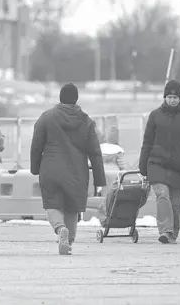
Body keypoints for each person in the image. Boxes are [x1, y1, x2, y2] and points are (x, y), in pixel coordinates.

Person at [30, 83, 106, 255]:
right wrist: (99, 179)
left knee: (52, 203)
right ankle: (69, 242)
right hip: (77, 171)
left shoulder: (46, 118)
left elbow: (36, 146)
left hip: (51, 169)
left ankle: (60, 228)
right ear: (76, 99)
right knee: (72, 207)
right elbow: (95, 152)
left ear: (60, 97)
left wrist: (35, 168)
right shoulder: (86, 121)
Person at [139, 80, 180, 244]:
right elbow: (147, 142)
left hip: (178, 165)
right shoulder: (155, 116)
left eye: (175, 97)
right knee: (162, 195)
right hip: (156, 163)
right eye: (169, 96)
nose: (172, 100)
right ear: (164, 97)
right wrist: (143, 165)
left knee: (175, 204)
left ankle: (172, 233)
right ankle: (165, 230)